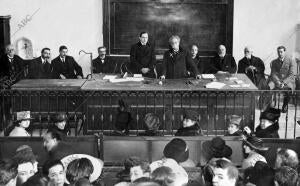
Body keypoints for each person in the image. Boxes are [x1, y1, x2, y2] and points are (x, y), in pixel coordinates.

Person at [269, 46, 296, 112]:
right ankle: (268, 104)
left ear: (284, 52)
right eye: (278, 52)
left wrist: (284, 83)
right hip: (276, 81)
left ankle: (285, 105)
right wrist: (278, 82)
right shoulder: (274, 62)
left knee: (288, 89)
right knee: (268, 86)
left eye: (281, 52)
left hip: (288, 81)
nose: (280, 53)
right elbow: (273, 74)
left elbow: (291, 74)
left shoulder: (291, 61)